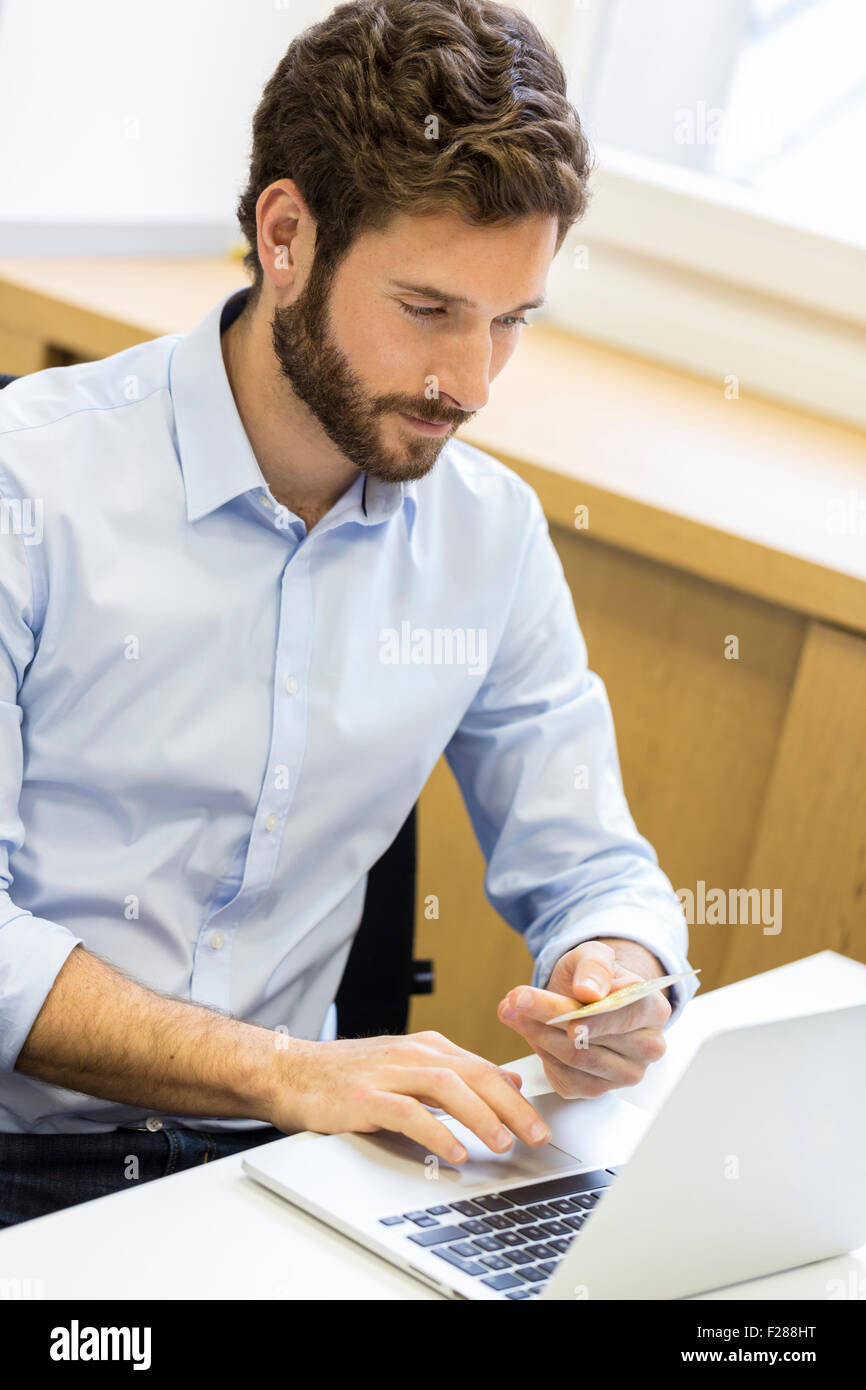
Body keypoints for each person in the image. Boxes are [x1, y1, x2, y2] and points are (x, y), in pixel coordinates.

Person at [0, 0, 698, 1228]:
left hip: (283, 1169)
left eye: (511, 322)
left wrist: (617, 972)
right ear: (285, 234)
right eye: (428, 311)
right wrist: (286, 1069)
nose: (472, 385)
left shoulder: (486, 535)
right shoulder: (30, 486)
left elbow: (592, 863)